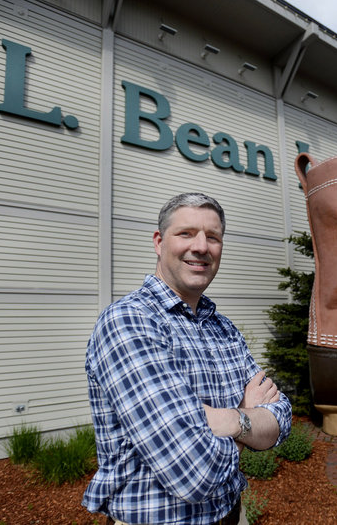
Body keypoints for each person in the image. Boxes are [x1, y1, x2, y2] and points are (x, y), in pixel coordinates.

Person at [82, 193, 292, 525]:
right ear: (158, 242)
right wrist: (249, 417)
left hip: (233, 515)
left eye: (213, 237)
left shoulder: (222, 327)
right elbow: (193, 472)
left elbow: (282, 417)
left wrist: (229, 421)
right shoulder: (129, 322)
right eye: (186, 233)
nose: (201, 246)